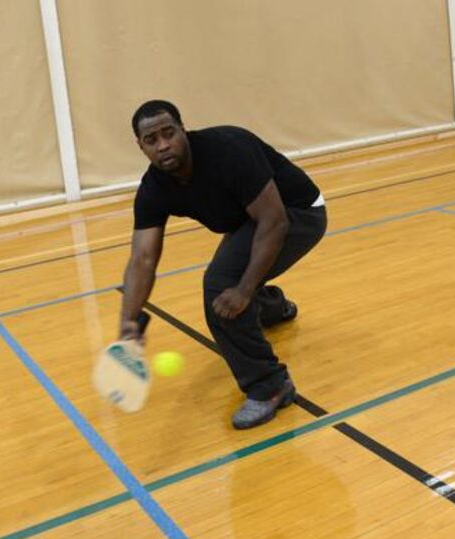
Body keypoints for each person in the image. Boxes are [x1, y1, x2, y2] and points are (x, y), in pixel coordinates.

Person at [119, 99, 327, 429]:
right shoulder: (154, 188)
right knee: (232, 278)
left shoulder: (229, 149)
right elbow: (143, 258)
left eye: (168, 133)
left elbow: (274, 222)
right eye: (151, 140)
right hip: (250, 222)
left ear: (183, 130)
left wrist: (244, 290)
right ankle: (272, 307)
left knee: (221, 286)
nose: (163, 145)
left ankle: (270, 387)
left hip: (298, 212)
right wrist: (129, 322)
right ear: (141, 146)